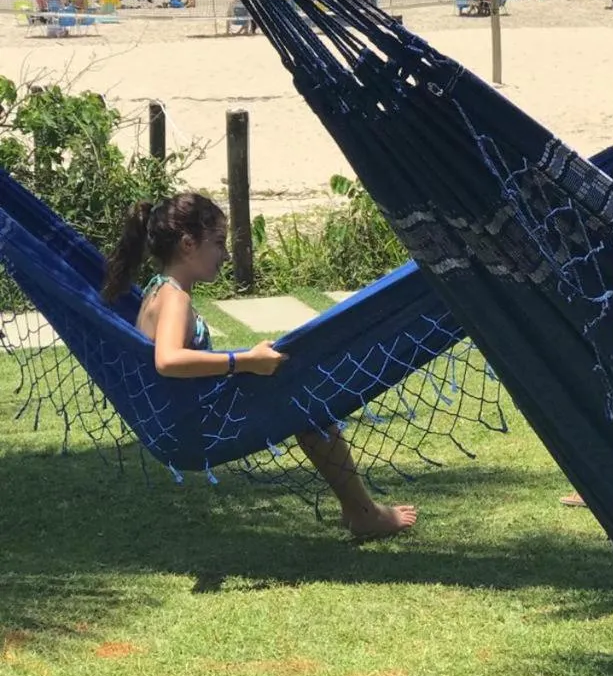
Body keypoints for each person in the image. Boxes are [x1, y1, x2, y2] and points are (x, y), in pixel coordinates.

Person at [102, 194, 418, 539]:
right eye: (219, 243)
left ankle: (360, 511)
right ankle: (364, 515)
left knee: (305, 395)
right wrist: (244, 361)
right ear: (189, 244)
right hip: (194, 429)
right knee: (310, 404)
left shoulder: (157, 290)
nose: (225, 255)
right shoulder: (175, 298)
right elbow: (168, 360)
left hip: (183, 420)